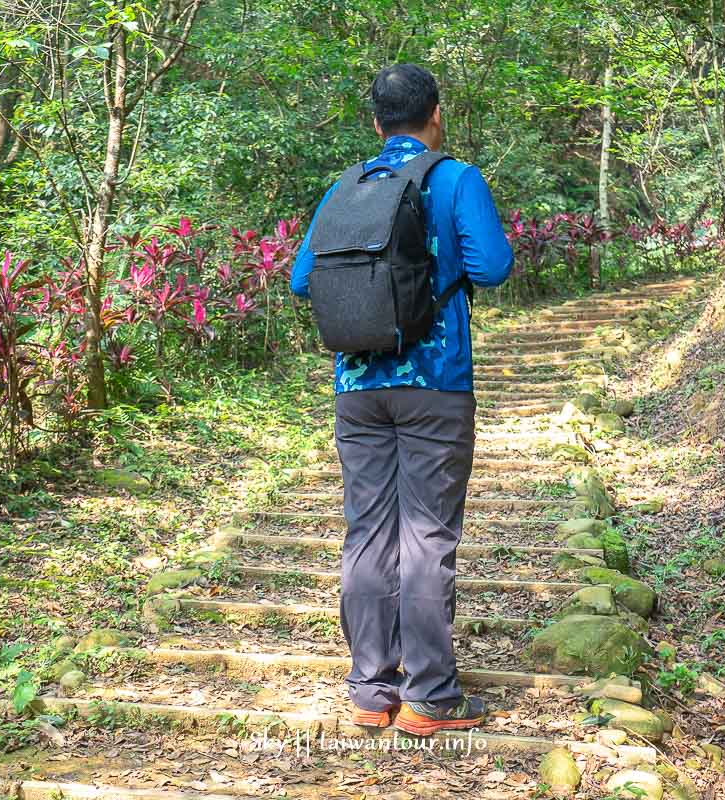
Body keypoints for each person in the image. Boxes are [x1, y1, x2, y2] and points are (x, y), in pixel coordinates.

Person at [290, 63, 513, 735]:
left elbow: (304, 281)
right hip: (435, 384)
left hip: (357, 387)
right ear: (435, 114)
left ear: (375, 122)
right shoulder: (455, 178)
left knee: (368, 531)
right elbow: (493, 268)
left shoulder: (345, 187)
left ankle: (370, 691)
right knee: (426, 534)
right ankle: (431, 699)